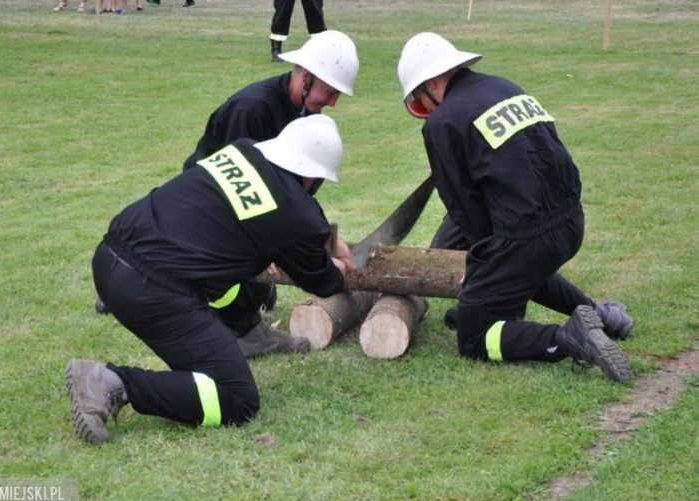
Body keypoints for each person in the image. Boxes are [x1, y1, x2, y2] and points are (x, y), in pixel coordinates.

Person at [66, 115, 353, 445]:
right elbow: (324, 282)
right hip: (153, 292)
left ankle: (245, 333)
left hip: (109, 256)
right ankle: (112, 382)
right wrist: (341, 264)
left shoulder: (243, 151)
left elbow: (238, 219)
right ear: (313, 176)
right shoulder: (296, 215)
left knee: (227, 278)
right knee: (237, 400)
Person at [96, 30, 359, 360]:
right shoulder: (251, 111)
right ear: (307, 76)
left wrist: (318, 235)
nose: (333, 102)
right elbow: (245, 192)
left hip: (241, 213)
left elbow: (290, 194)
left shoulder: (306, 114)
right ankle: (246, 330)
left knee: (264, 292)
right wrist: (279, 245)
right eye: (331, 91)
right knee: (241, 276)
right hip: (209, 214)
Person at [397, 32, 634, 381]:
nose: (426, 108)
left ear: (430, 83)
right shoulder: (506, 87)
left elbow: (463, 208)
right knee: (519, 270)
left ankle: (569, 338)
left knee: (473, 336)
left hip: (526, 237)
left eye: (421, 97)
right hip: (570, 221)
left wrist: (483, 258)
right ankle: (599, 314)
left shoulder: (442, 122)